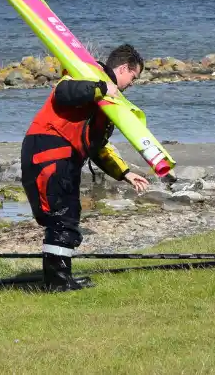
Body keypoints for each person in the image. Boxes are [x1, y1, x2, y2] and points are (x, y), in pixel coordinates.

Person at [20, 43, 152, 291]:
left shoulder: (105, 100)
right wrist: (102, 88)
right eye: (134, 76)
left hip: (64, 156)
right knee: (59, 217)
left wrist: (125, 173)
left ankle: (62, 278)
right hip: (48, 150)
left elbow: (97, 146)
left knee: (67, 216)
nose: (133, 83)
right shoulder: (88, 75)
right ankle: (57, 283)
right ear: (123, 68)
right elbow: (64, 92)